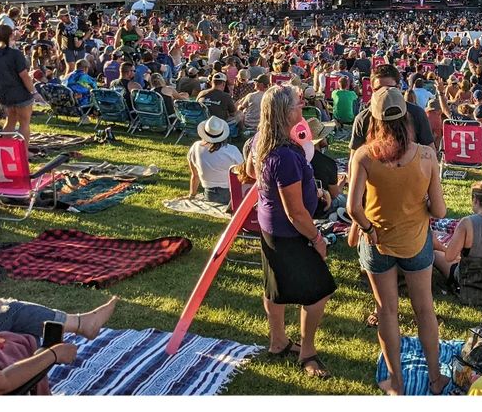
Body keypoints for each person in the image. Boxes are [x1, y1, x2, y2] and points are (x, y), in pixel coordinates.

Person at [348, 87, 447, 395]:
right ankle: (435, 378)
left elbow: (353, 208)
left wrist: (367, 227)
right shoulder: (427, 155)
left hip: (377, 241)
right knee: (424, 310)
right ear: (406, 117)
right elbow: (440, 211)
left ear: (374, 120)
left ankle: (396, 382)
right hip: (415, 242)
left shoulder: (364, 156)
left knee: (387, 311)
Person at [252, 84, 336, 379]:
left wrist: (313, 191)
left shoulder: (262, 141)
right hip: (289, 232)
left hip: (271, 227)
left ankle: (278, 342)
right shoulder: (285, 155)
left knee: (275, 289)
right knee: (318, 292)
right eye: (297, 104)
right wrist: (317, 238)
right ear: (285, 112)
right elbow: (296, 212)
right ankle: (307, 352)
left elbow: (252, 174)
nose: (302, 107)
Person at [432, 181, 482, 307]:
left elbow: (449, 256)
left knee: (435, 254)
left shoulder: (467, 223)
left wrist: (438, 245)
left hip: (469, 279)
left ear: (475, 199)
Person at [350, 64, 433, 151]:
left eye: (389, 89)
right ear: (372, 89)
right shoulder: (363, 118)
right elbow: (355, 156)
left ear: (398, 87)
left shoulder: (417, 114)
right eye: (379, 89)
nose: (384, 93)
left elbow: (430, 151)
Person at [0, 24, 37, 142]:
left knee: (10, 120)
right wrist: (33, 91)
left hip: (4, 93)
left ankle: (6, 147)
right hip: (20, 92)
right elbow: (24, 75)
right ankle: (23, 150)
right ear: (11, 35)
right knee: (24, 123)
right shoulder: (15, 54)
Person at [185, 116, 243, 207]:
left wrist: (192, 195)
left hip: (209, 194)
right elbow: (243, 174)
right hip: (230, 194)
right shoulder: (232, 150)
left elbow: (195, 176)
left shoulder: (195, 147)